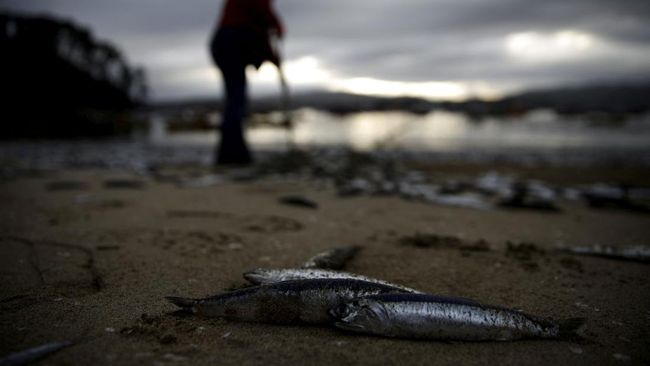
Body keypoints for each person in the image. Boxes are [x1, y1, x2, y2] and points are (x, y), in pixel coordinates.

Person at [210, 0, 285, 166]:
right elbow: (263, 16)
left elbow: (261, 28)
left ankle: (229, 155)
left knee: (235, 99)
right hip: (231, 41)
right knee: (236, 99)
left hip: (226, 42)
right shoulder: (257, 10)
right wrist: (277, 25)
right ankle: (234, 156)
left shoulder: (250, 17)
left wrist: (272, 56)